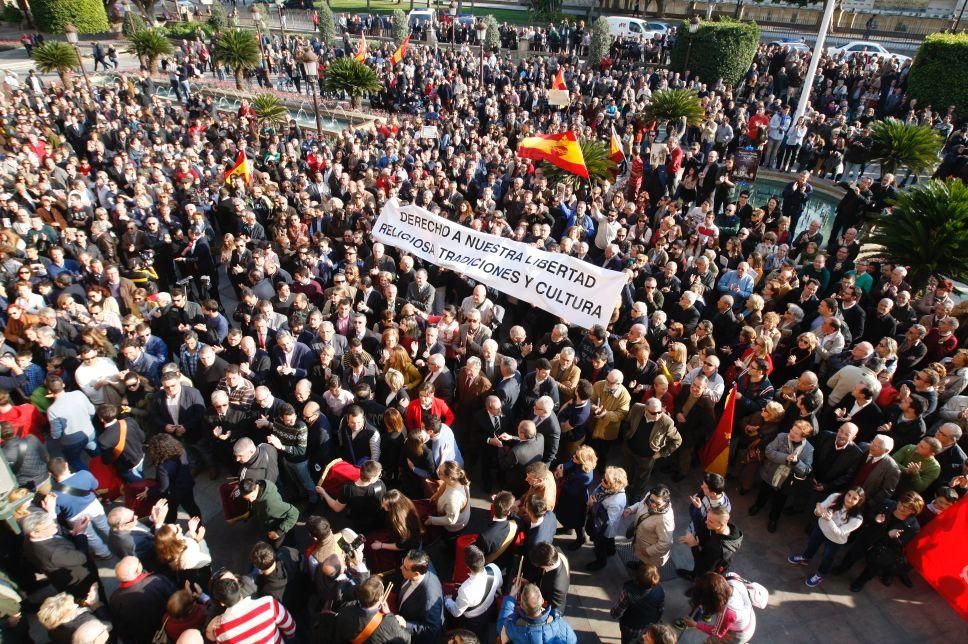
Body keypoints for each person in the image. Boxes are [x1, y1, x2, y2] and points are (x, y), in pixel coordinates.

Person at [788, 486, 866, 587]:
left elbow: (840, 532)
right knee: (812, 544)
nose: (849, 499)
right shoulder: (835, 497)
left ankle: (820, 574)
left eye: (854, 498)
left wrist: (829, 520)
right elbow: (819, 509)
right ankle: (805, 558)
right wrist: (818, 511)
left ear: (859, 501)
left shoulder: (857, 518)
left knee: (827, 557)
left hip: (836, 540)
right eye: (848, 495)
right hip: (821, 528)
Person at [748, 420, 815, 532]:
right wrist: (785, 457)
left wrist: (796, 462)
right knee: (764, 491)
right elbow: (769, 451)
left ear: (803, 437)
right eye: (792, 430)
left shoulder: (808, 449)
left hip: (786, 481)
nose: (792, 434)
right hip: (770, 473)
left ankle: (773, 519)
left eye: (796, 433)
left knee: (780, 500)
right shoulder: (781, 437)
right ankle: (758, 506)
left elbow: (807, 470)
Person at [209, 573, 297, 643]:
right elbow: (290, 627)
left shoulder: (220, 630)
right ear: (239, 588)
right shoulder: (268, 603)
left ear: (222, 603)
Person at [108, 555, 177, 643]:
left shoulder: (115, 598)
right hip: (168, 627)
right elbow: (175, 597)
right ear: (138, 570)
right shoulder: (157, 581)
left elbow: (120, 626)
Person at [680, 572, 756, 644]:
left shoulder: (727, 612)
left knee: (712, 642)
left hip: (740, 633)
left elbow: (717, 633)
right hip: (748, 618)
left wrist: (695, 624)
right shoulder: (731, 576)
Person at [445, 545, 503, 640]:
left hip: (473, 620)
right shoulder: (494, 568)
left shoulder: (465, 589)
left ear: (467, 566)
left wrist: (447, 600)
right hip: (489, 608)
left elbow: (456, 612)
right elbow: (499, 585)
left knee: (473, 637)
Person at [333, 575, 412, 643]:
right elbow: (406, 640)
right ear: (381, 598)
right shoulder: (390, 623)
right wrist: (391, 616)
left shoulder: (345, 610)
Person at [496, 580, 577, 644]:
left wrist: (511, 597)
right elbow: (572, 640)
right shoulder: (558, 621)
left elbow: (501, 626)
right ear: (542, 601)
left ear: (521, 606)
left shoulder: (513, 625)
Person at [676, 506, 744, 580]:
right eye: (707, 518)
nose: (706, 522)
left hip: (709, 572)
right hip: (713, 560)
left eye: (711, 521)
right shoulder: (732, 529)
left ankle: (695, 579)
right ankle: (694, 575)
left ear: (722, 524)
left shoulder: (717, 549)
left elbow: (702, 565)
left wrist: (693, 545)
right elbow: (708, 536)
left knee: (701, 578)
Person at [393, 549, 444, 644]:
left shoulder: (429, 597)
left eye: (405, 567)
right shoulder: (422, 564)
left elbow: (431, 629)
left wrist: (405, 624)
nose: (401, 568)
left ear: (416, 574)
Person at [585, 466, 629, 571]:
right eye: (604, 478)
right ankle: (611, 550)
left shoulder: (616, 501)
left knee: (600, 544)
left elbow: (608, 519)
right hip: (602, 523)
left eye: (605, 480)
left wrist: (594, 504)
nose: (602, 481)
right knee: (609, 541)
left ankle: (601, 562)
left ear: (614, 485)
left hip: (604, 528)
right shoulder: (607, 487)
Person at [610, 562, 665, 644]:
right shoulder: (660, 590)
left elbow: (618, 610)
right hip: (648, 623)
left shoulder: (628, 591)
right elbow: (660, 609)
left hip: (631, 625)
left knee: (627, 640)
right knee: (643, 639)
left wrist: (613, 614)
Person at [555, 445, 597, 550]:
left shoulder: (585, 476)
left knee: (578, 521)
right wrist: (562, 467)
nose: (573, 457)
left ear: (583, 461)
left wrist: (561, 476)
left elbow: (571, 488)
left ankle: (581, 538)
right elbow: (569, 464)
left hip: (576, 500)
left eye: (577, 457)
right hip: (567, 496)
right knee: (566, 515)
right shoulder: (577, 460)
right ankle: (568, 528)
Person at [238, 477, 299, 549]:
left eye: (251, 496)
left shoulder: (270, 503)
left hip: (278, 529)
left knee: (282, 548)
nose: (251, 500)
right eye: (247, 499)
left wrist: (278, 532)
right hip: (270, 526)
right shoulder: (260, 485)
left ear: (255, 488)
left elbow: (294, 512)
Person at [626, 485, 675, 570]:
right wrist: (631, 509)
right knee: (642, 563)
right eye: (652, 501)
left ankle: (640, 582)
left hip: (651, 554)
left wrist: (648, 551)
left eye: (658, 503)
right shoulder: (650, 495)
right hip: (642, 544)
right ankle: (639, 566)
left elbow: (665, 543)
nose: (653, 505)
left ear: (665, 502)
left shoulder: (665, 519)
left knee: (646, 572)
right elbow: (640, 504)